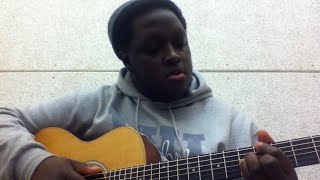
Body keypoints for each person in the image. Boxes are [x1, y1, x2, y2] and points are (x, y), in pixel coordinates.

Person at [0, 0, 298, 179]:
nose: (172, 55)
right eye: (153, 48)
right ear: (126, 58)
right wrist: (37, 164)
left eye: (179, 42)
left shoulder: (235, 126)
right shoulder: (96, 103)